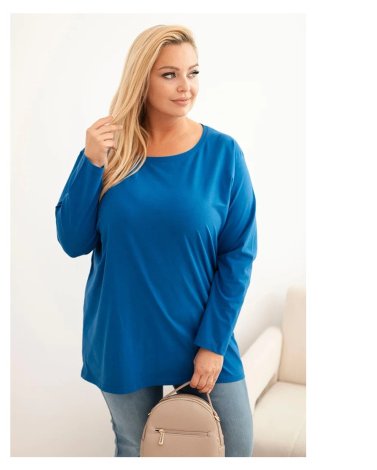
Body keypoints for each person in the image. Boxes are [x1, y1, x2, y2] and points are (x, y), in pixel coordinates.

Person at [55, 24, 258, 457]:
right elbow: (73, 241)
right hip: (123, 335)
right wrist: (91, 161)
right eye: (169, 74)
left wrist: (213, 344)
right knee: (135, 449)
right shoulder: (110, 150)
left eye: (193, 73)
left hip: (202, 335)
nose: (186, 87)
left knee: (234, 449)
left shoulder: (223, 154)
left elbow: (238, 255)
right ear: (141, 79)